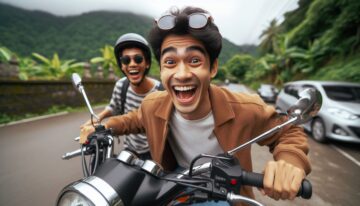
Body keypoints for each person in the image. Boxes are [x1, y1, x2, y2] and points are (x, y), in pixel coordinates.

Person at [80, 7, 311, 204]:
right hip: (172, 185)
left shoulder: (245, 107)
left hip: (225, 193)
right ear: (161, 70)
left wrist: (289, 163)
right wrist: (103, 126)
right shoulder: (153, 104)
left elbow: (288, 131)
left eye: (194, 61)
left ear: (212, 68)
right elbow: (134, 119)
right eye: (170, 62)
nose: (181, 74)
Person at [81, 33, 162, 160]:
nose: (132, 64)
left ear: (147, 63)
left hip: (155, 152)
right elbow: (113, 107)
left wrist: (107, 126)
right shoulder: (121, 85)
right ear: (122, 66)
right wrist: (98, 119)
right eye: (126, 60)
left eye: (138, 59)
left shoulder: (160, 92)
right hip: (129, 149)